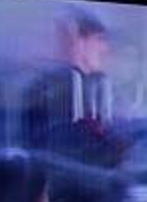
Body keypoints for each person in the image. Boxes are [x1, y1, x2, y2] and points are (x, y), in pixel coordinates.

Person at [18, 10, 127, 168]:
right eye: (99, 39)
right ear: (78, 42)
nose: (105, 49)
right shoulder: (52, 89)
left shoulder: (97, 87)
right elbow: (63, 151)